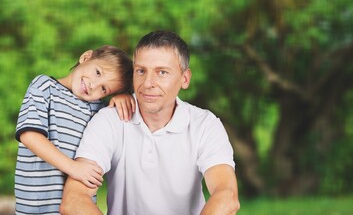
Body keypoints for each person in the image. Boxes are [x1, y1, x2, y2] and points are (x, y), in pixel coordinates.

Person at [60, 31, 240, 215]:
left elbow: (226, 195)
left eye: (162, 72)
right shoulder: (108, 120)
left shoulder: (205, 125)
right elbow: (74, 200)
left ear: (184, 79)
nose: (148, 83)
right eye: (141, 71)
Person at [14, 45, 135, 214]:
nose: (94, 85)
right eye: (98, 72)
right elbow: (30, 136)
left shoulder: (97, 109)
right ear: (86, 57)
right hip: (36, 207)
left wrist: (122, 97)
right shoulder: (44, 87)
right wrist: (73, 168)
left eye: (104, 89)